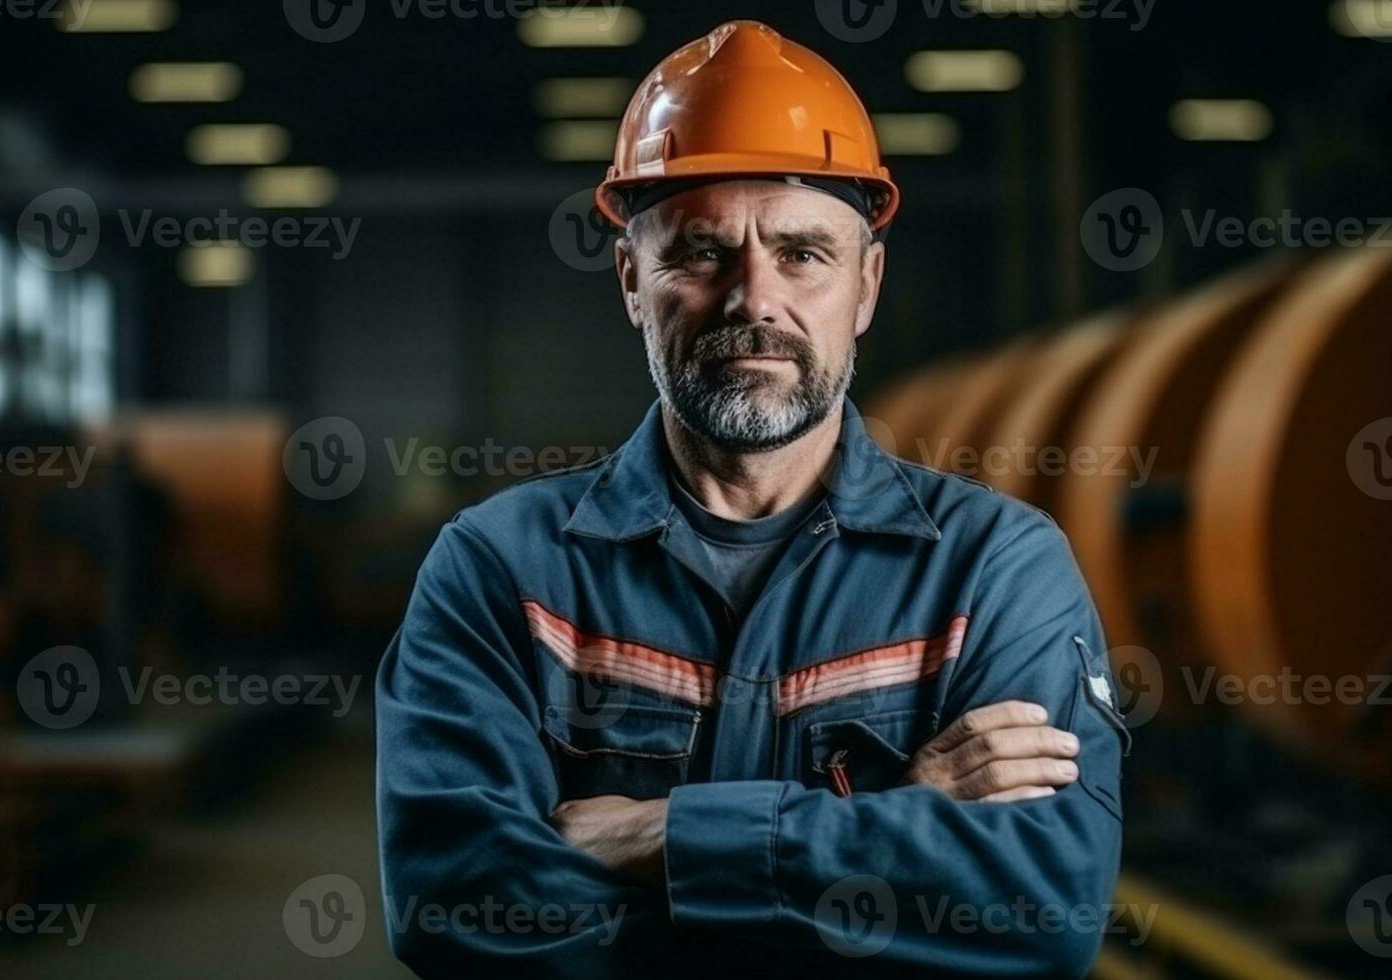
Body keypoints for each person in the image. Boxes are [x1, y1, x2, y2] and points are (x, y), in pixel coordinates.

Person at [376, 20, 1127, 978]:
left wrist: (659, 837)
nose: (752, 300)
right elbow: (455, 905)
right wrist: (885, 829)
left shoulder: (995, 569)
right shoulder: (500, 570)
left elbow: (1042, 911)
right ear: (632, 284)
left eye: (803, 253)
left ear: (866, 286)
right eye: (700, 254)